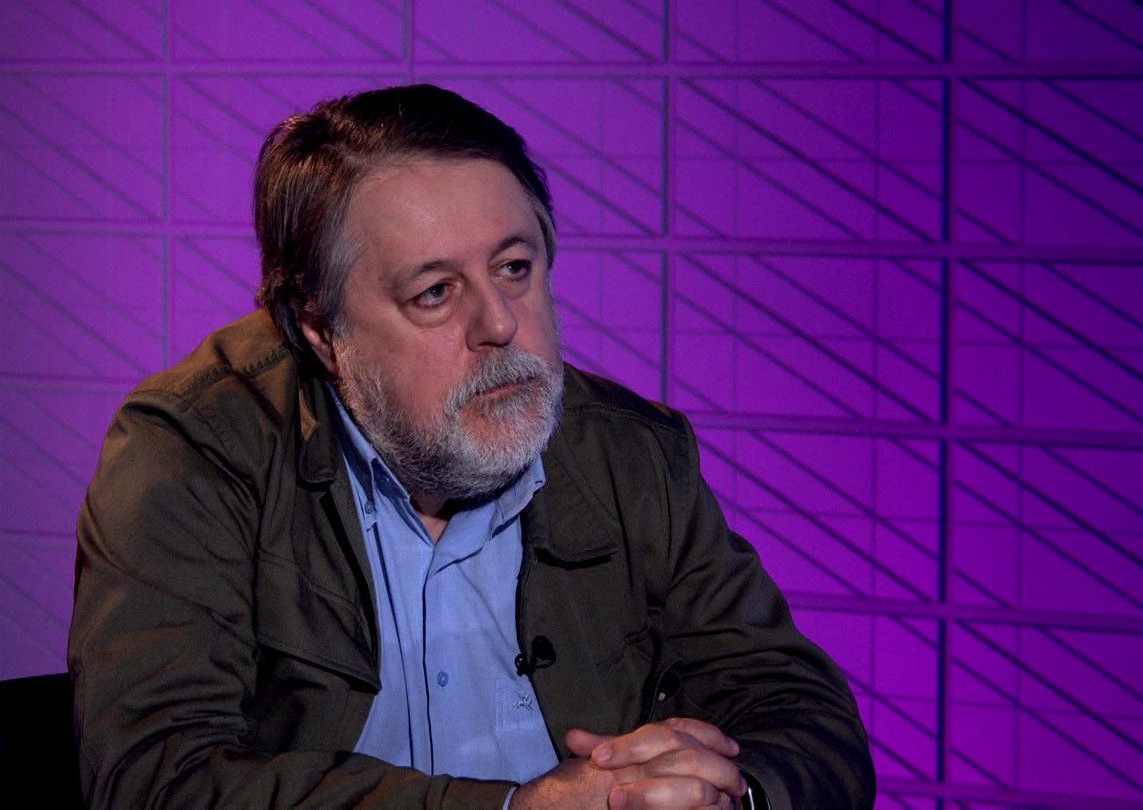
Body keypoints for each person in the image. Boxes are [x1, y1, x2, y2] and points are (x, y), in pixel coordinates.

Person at [68, 83, 874, 809]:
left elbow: (804, 717)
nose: (499, 324)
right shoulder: (193, 452)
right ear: (320, 328)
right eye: (435, 293)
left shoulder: (632, 455)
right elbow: (156, 779)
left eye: (514, 268)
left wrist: (725, 794)